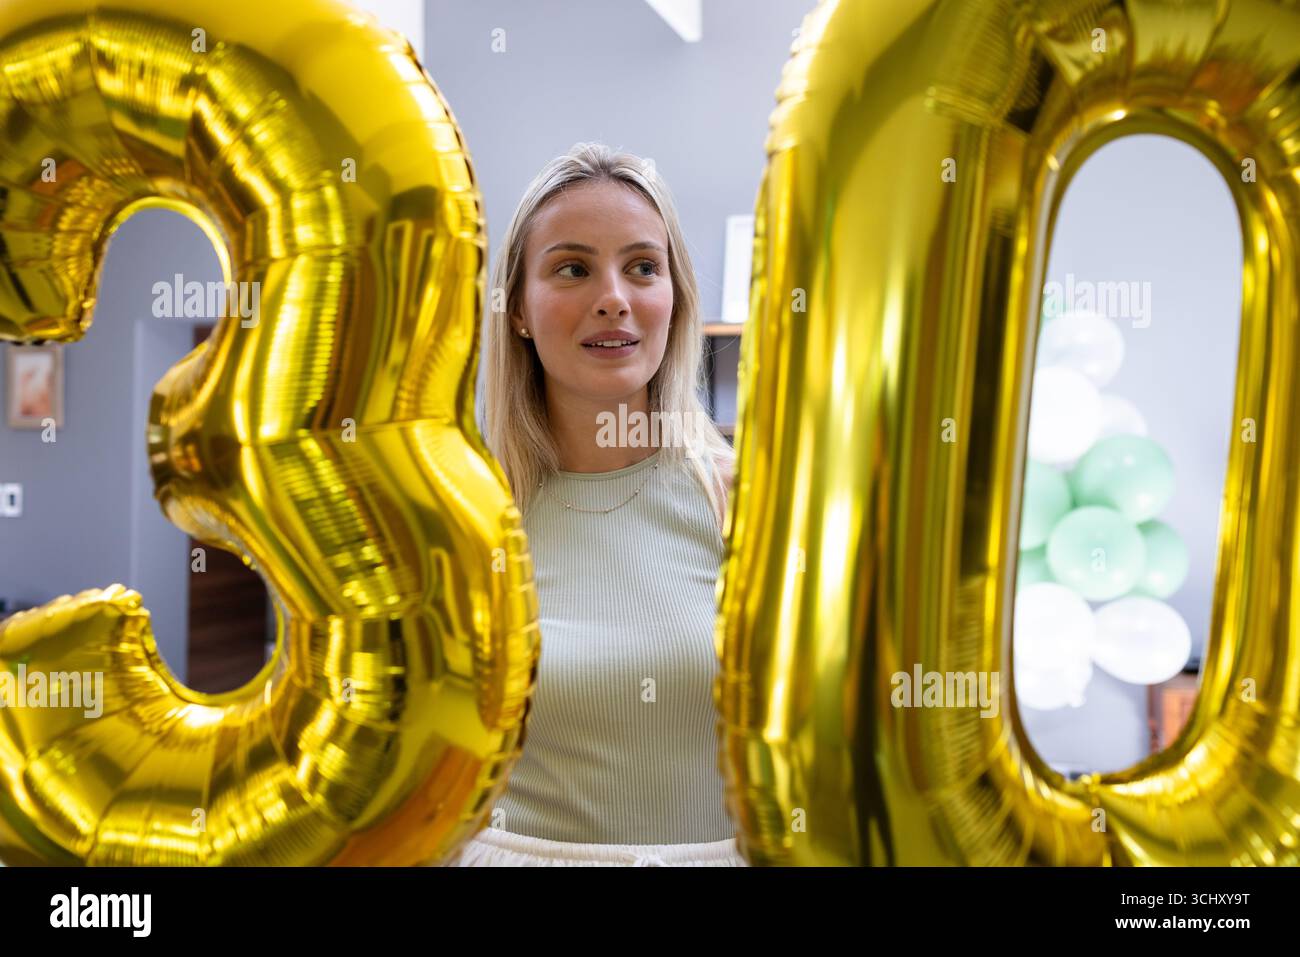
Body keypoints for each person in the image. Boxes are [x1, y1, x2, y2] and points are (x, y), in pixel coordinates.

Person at [447, 142, 744, 866]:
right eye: (573, 268)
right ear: (516, 307)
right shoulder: (469, 519)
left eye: (643, 266)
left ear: (674, 298)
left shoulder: (742, 498)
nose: (614, 295)